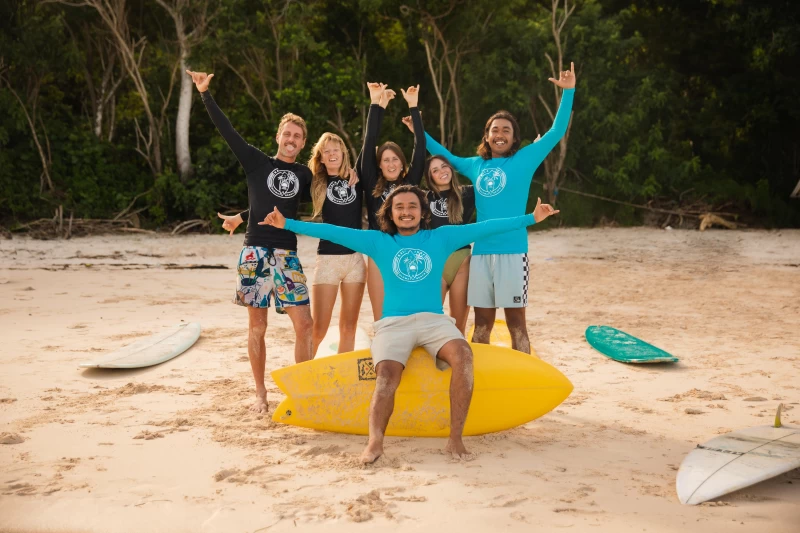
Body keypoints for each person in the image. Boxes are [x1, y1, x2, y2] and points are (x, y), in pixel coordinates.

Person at [258, 185, 559, 463]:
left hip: (434, 321)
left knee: (464, 356)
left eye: (412, 206)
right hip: (393, 324)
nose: (406, 211)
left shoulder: (441, 237)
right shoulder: (378, 241)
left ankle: (455, 439)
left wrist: (531, 218)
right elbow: (332, 231)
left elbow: (486, 227)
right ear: (389, 213)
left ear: (422, 212)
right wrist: (288, 224)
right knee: (387, 375)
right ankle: (375, 442)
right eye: (399, 206)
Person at [424, 63, 577, 354]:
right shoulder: (475, 164)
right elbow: (445, 157)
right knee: (481, 323)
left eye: (506, 130)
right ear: (487, 135)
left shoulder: (525, 158)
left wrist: (568, 92)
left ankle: (524, 378)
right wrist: (417, 129)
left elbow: (557, 131)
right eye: (495, 130)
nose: (500, 134)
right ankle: (476, 375)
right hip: (480, 254)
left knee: (516, 323)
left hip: (513, 252)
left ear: (514, 137)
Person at [187, 69, 314, 414]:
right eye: (287, 133)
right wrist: (204, 93)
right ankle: (260, 393)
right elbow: (228, 131)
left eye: (298, 136)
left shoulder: (305, 174)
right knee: (257, 326)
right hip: (255, 252)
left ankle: (301, 390)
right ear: (278, 135)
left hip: (288, 255)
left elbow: (292, 205)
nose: (291, 139)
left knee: (305, 324)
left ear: (303, 143)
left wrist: (242, 213)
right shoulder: (257, 162)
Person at [218, 133, 363, 356]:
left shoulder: (356, 180)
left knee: (345, 326)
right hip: (325, 258)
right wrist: (241, 217)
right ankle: (307, 378)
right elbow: (284, 204)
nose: (333, 154)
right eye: (327, 151)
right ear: (320, 158)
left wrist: (352, 172)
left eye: (337, 149)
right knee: (315, 328)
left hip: (354, 259)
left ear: (344, 152)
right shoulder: (316, 183)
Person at [358, 83, 425, 321]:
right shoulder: (370, 181)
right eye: (385, 160)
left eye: (395, 158)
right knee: (381, 313)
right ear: (379, 164)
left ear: (401, 162)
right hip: (378, 248)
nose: (391, 163)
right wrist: (376, 104)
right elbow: (369, 141)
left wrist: (413, 106)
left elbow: (420, 149)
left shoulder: (410, 184)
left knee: (409, 310)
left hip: (408, 248)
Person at [423, 155, 475, 334]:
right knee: (429, 321)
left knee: (458, 325)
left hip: (462, 262)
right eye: (435, 170)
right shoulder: (423, 199)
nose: (441, 172)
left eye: (444, 166)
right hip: (435, 263)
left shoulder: (467, 194)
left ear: (451, 169)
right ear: (430, 177)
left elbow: (496, 187)